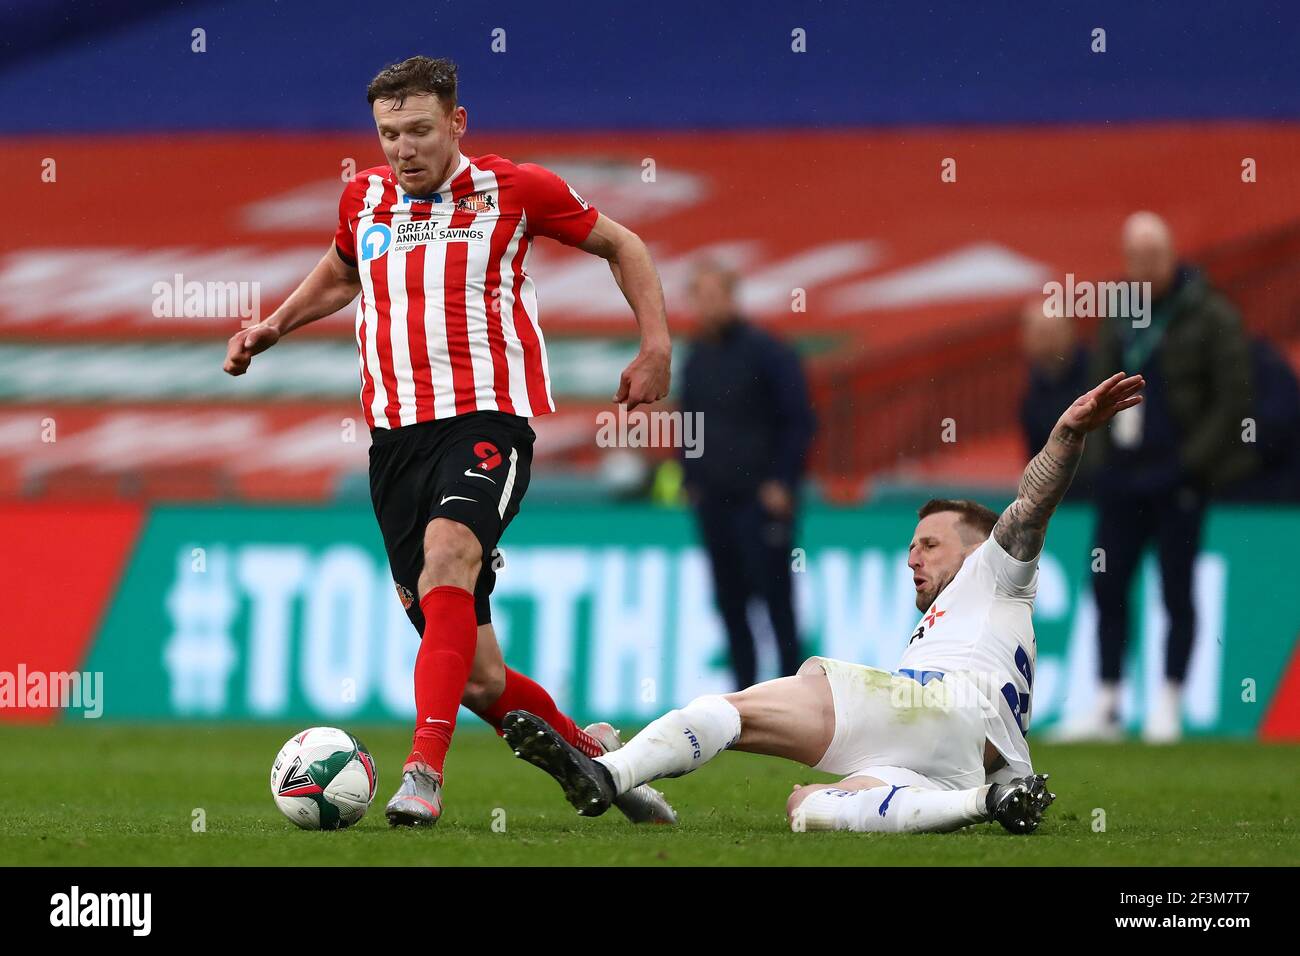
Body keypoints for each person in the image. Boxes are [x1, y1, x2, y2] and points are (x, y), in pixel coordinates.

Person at [223, 56, 676, 827]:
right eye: (389, 133)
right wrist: (273, 325)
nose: (404, 148)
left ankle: (423, 775)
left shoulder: (517, 189)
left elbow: (623, 245)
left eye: (420, 131)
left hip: (486, 422)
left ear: (456, 124)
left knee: (448, 556)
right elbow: (341, 271)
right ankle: (603, 764)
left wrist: (656, 344)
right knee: (478, 678)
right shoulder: (363, 197)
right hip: (394, 444)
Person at [501, 373, 1146, 835]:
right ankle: (988, 805)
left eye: (929, 544)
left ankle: (609, 774)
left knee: (730, 712)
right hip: (966, 765)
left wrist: (1066, 435)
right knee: (810, 807)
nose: (912, 558)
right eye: (910, 547)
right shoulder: (954, 622)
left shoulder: (994, 573)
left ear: (975, 549)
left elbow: (1028, 511)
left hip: (936, 707)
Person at [1070, 212, 1256, 743]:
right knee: (1108, 586)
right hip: (1122, 480)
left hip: (1178, 481)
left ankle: (1169, 702)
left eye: (1154, 255)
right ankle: (1107, 702)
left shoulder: (1210, 314)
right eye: (1136, 257)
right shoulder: (1120, 315)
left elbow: (1233, 398)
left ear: (1172, 256)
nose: (1145, 267)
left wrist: (1190, 464)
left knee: (1176, 588)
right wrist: (1103, 458)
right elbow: (1095, 388)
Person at [679, 262, 817, 688]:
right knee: (730, 602)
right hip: (714, 501)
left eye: (714, 295)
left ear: (732, 297)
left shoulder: (768, 353)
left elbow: (800, 420)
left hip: (760, 500)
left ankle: (794, 695)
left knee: (776, 600)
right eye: (699, 296)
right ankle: (742, 701)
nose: (707, 305)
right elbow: (688, 423)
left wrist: (782, 481)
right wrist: (691, 478)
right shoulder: (696, 359)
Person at [1019, 298, 1094, 499]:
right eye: (1040, 334)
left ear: (1071, 332)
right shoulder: (1033, 390)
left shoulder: (1096, 377)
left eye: (1052, 332)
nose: (1046, 342)